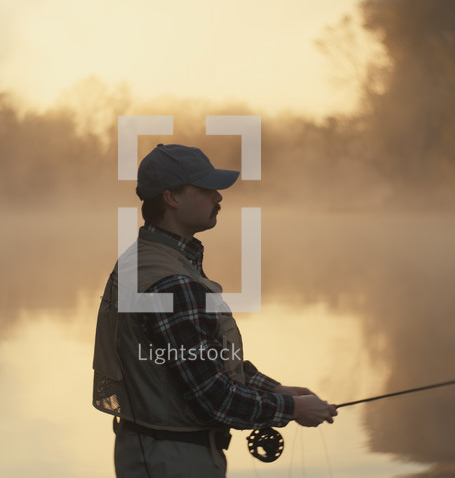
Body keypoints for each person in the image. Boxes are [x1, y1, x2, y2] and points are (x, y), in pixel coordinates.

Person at [92, 143, 337, 477]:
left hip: (149, 451)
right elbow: (214, 396)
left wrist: (272, 389)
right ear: (172, 198)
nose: (218, 197)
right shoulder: (173, 283)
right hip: (175, 460)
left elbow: (198, 360)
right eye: (206, 189)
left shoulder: (142, 259)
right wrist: (292, 409)